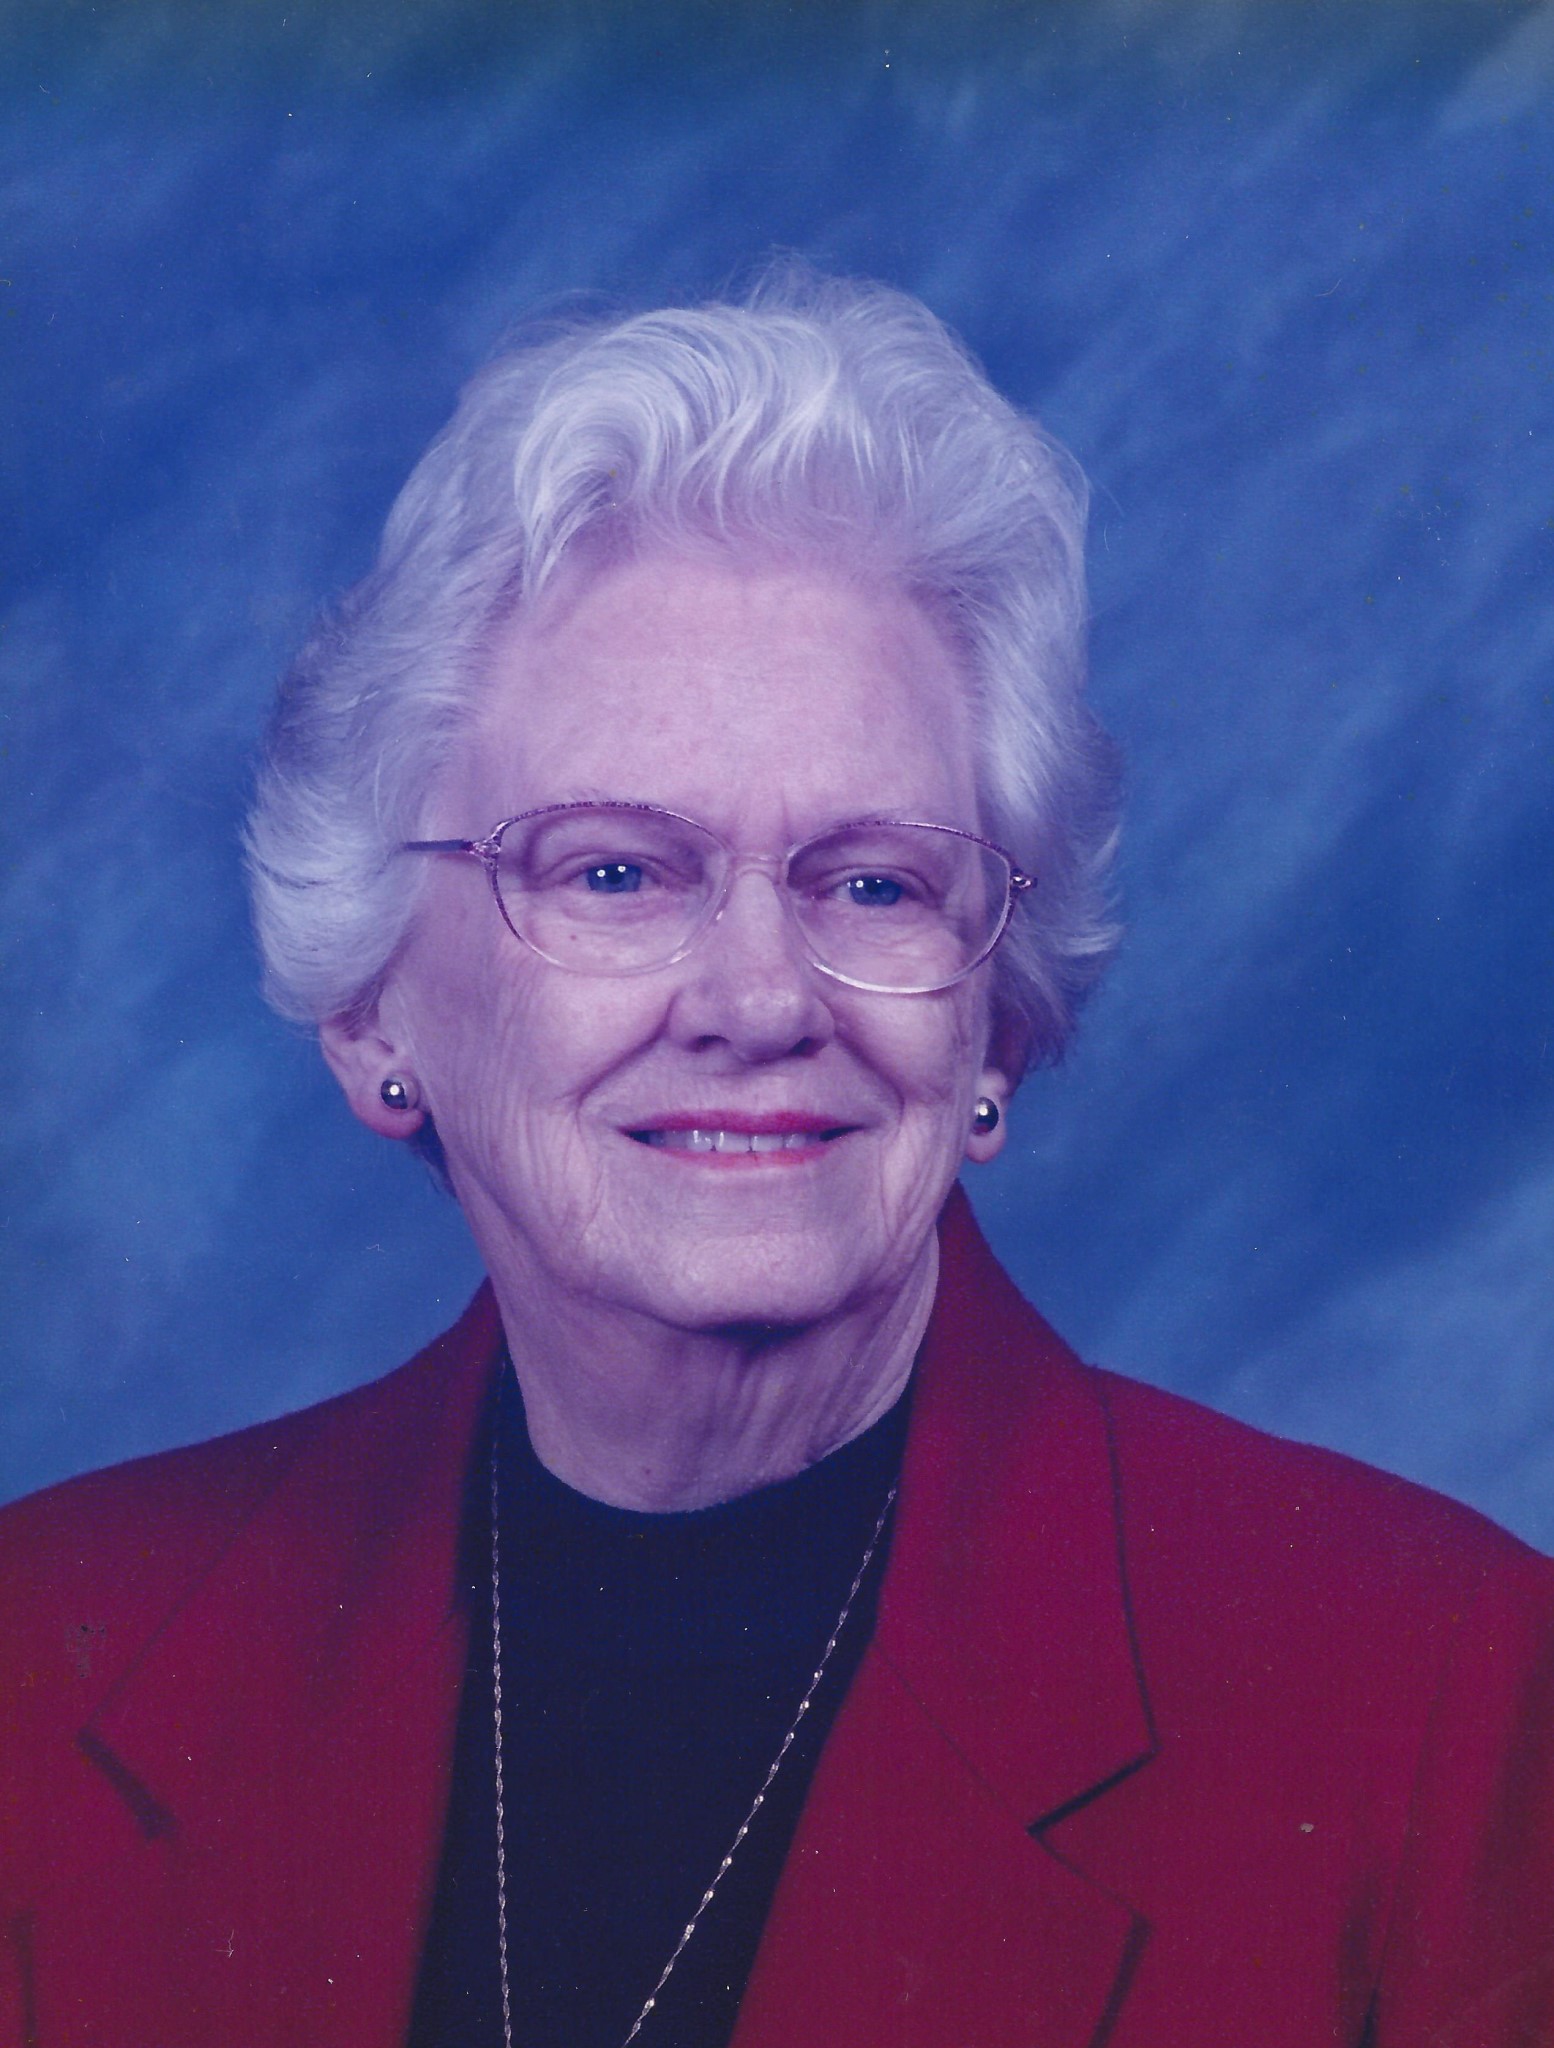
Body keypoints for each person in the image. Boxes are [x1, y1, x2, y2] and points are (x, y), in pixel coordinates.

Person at [3, 271, 1552, 2048]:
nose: (757, 997)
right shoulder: (47, 1653)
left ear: (992, 1026)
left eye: (873, 882)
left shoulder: (1440, 1699)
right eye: (613, 871)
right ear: (370, 1012)